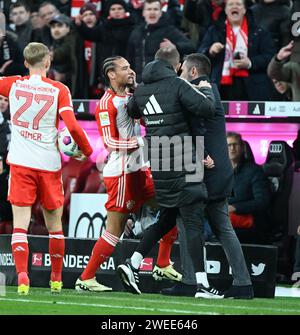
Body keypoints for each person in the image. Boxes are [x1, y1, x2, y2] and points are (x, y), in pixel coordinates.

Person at [117, 47, 219, 298]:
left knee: (168, 217)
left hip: (159, 157)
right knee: (193, 222)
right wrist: (205, 88)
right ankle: (202, 284)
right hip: (184, 155)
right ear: (175, 66)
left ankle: (133, 263)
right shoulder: (177, 84)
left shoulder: (142, 89)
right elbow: (208, 108)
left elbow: (131, 111)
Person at [0, 42, 93, 295]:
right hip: (49, 165)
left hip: (20, 164)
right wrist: (86, 151)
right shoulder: (59, 89)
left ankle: (22, 278)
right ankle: (56, 279)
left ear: (26, 63)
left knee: (20, 225)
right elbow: (72, 127)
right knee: (55, 227)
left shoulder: (13, 84)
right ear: (48, 63)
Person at [159, 53, 253, 299]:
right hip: (218, 171)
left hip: (206, 172)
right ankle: (242, 284)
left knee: (189, 224)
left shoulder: (201, 92)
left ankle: (192, 282)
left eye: (182, 73)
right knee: (221, 227)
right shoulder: (208, 91)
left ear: (192, 73)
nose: (179, 77)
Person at [75, 56, 167, 292]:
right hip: (123, 171)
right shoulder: (106, 103)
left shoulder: (130, 96)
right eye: (125, 68)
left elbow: (146, 120)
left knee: (171, 205)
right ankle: (86, 278)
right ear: (111, 75)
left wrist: (140, 93)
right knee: (114, 230)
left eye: (130, 66)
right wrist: (142, 141)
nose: (131, 70)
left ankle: (163, 263)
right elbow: (109, 142)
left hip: (140, 168)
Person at [198, 0, 275, 101]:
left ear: (244, 10)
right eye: (230, 4)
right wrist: (210, 51)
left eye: (238, 4)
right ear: (225, 10)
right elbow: (199, 56)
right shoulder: (214, 31)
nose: (235, 6)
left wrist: (250, 62)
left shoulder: (259, 32)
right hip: (221, 86)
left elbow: (270, 56)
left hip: (252, 86)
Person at [227, 132, 271, 244]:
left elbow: (263, 201)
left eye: (235, 145)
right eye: (228, 145)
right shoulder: (220, 172)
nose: (232, 148)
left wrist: (235, 207)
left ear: (242, 147)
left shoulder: (254, 171)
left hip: (248, 219)